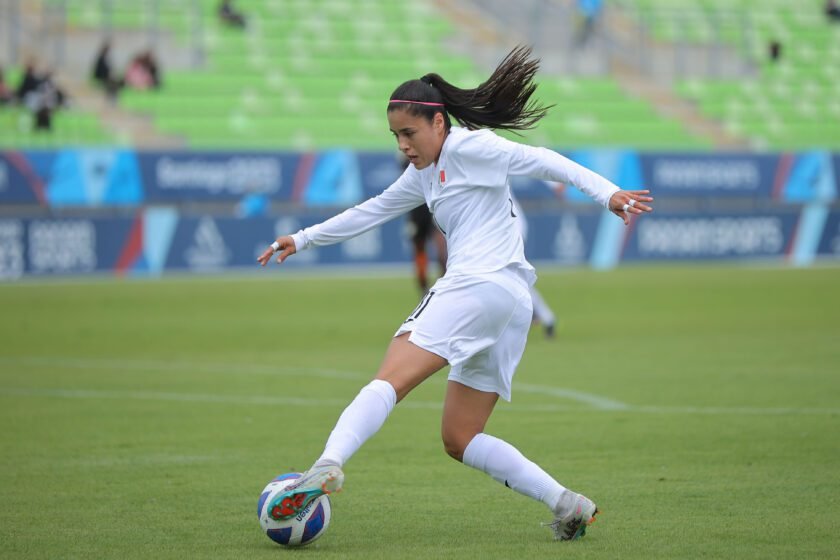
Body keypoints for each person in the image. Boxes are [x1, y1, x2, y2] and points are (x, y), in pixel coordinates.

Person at [256, 46, 653, 541]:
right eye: (396, 135)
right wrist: (304, 238)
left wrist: (608, 193)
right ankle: (566, 503)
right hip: (509, 303)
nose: (403, 144)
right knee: (460, 437)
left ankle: (327, 463)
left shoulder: (471, 147)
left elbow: (543, 160)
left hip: (477, 286)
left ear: (439, 124)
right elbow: (371, 210)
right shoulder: (422, 173)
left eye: (409, 132)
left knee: (390, 377)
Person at [400, 153, 447, 295]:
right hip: (416, 210)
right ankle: (423, 291)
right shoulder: (408, 155)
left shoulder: (438, 152)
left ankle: (444, 286)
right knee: (419, 247)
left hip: (433, 207)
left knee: (441, 247)